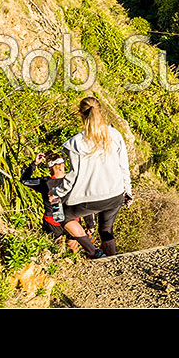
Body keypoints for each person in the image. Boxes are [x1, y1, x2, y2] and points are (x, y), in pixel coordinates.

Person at [55, 97, 134, 258]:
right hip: (115, 194)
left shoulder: (74, 143)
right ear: (101, 112)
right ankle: (112, 263)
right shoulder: (115, 135)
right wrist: (128, 192)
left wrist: (57, 193)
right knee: (106, 230)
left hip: (88, 198)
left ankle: (93, 251)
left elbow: (73, 176)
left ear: (80, 114)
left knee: (61, 215)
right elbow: (123, 167)